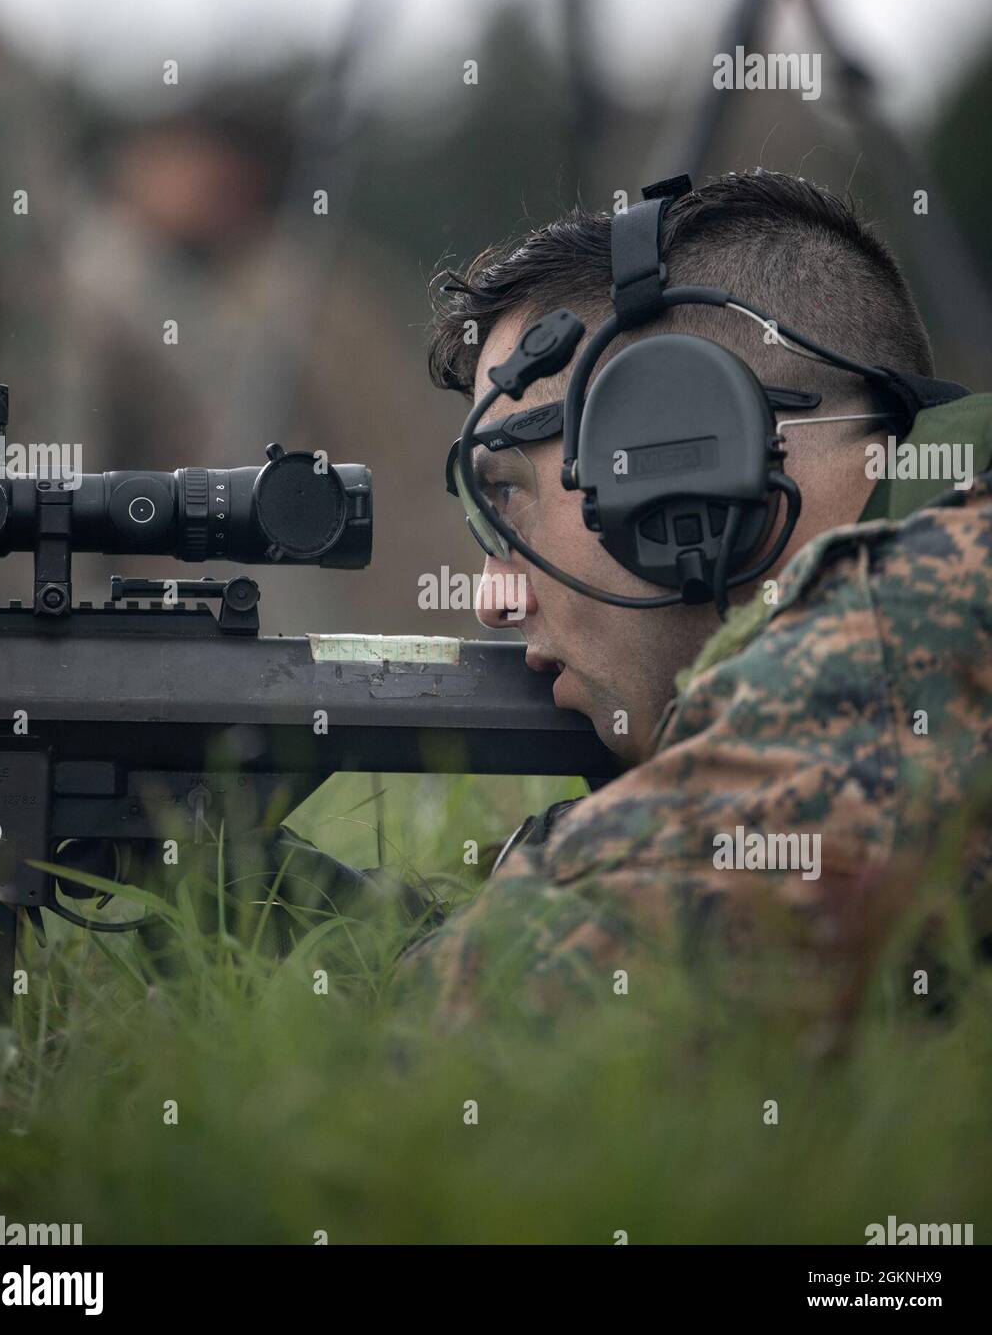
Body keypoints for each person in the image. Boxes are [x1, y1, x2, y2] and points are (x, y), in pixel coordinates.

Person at [387, 168, 992, 1024]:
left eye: (508, 497)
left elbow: (519, 1015)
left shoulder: (932, 612)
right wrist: (275, 889)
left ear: (682, 457)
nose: (493, 597)